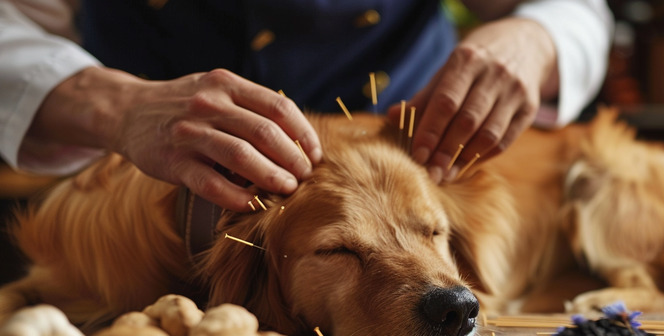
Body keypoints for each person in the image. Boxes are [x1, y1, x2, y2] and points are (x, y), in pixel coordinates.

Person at [0, 0, 612, 212]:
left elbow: (578, 10)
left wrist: (535, 37)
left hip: (420, 181)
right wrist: (116, 102)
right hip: (148, 207)